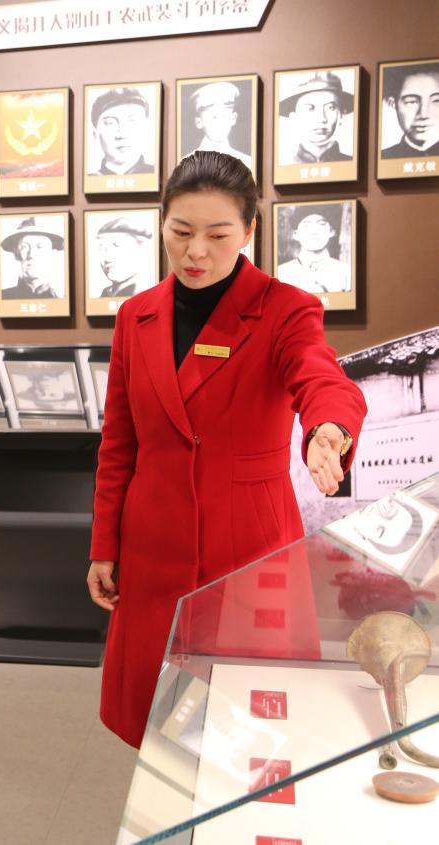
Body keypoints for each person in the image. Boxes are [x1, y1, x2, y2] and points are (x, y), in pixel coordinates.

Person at [85, 151, 367, 747]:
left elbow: (322, 377)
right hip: (153, 544)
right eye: (180, 232)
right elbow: (120, 443)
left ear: (249, 231)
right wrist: (104, 545)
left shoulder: (285, 309)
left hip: (248, 549)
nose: (196, 253)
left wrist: (328, 427)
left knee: (251, 725)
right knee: (163, 725)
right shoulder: (136, 316)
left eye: (217, 235)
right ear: (161, 223)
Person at [279, 72, 354, 164]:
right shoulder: (286, 167)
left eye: (330, 107)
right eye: (310, 108)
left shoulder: (352, 164)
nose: (321, 118)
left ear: (342, 115)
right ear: (294, 117)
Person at [276, 207, 352, 294]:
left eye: (321, 224)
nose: (314, 232)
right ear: (296, 234)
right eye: (306, 225)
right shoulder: (281, 273)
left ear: (332, 232)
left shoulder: (346, 272)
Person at [185, 81, 253, 170]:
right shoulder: (186, 164)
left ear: (233, 118)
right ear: (199, 122)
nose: (219, 124)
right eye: (214, 117)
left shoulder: (247, 163)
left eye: (223, 116)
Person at [90, 87, 155, 176]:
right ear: (95, 135)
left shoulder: (159, 175)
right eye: (110, 123)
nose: (122, 134)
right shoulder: (89, 179)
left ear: (146, 128)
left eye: (132, 121)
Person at [381, 63, 439, 158]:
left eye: (437, 100)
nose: (423, 115)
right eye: (411, 102)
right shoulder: (384, 157)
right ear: (392, 103)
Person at [0, 217, 65, 299]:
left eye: (40, 247)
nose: (31, 255)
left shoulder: (63, 299)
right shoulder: (3, 297)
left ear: (52, 253)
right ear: (16, 254)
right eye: (24, 247)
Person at [93, 216, 152, 298]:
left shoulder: (146, 293)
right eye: (102, 248)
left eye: (116, 245)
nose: (107, 259)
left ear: (142, 248)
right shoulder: (106, 294)